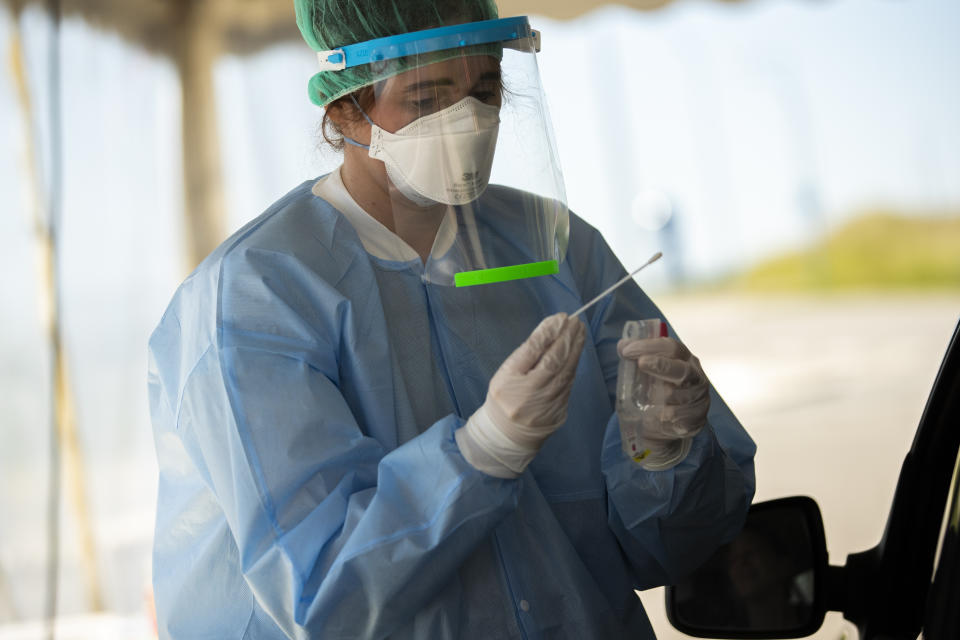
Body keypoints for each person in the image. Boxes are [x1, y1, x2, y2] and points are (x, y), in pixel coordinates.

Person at [148, 1, 757, 638]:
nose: (467, 120)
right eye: (426, 95)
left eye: (484, 89)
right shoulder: (257, 293)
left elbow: (668, 552)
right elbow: (323, 598)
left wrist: (663, 454)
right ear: (345, 111)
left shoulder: (555, 248)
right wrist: (484, 451)